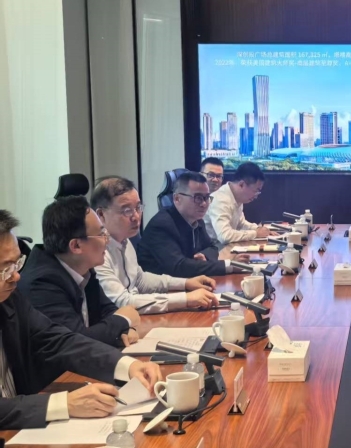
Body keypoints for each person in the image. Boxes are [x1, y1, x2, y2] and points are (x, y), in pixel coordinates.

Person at [0, 210, 162, 429]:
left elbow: (57, 340)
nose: (16, 275)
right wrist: (64, 404)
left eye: (16, 263)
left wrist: (128, 365)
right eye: (5, 268)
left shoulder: (9, 299)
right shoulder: (40, 280)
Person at [18, 197, 140, 348]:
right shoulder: (41, 283)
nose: (107, 240)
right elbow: (74, 341)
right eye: (101, 234)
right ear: (76, 246)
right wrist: (124, 320)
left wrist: (124, 329)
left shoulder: (82, 266)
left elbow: (108, 310)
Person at [91, 176, 219, 314]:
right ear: (101, 215)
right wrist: (186, 299)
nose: (136, 217)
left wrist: (186, 283)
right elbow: (123, 302)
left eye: (138, 208)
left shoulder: (125, 241)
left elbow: (140, 280)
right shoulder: (95, 252)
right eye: (127, 210)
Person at [138, 172, 249, 277]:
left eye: (207, 197)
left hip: (186, 281)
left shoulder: (197, 220)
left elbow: (212, 248)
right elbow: (178, 267)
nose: (204, 204)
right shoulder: (161, 225)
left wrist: (204, 256)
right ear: (177, 199)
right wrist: (229, 265)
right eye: (198, 198)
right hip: (160, 288)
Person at [204, 161, 271, 248]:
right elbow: (225, 236)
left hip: (225, 247)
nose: (256, 196)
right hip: (213, 249)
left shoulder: (236, 197)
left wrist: (259, 229)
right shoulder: (220, 200)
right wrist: (256, 233)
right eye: (256, 190)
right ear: (242, 184)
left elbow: (241, 224)